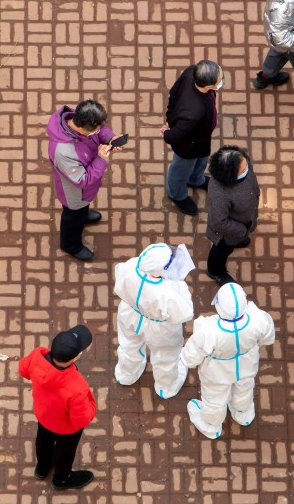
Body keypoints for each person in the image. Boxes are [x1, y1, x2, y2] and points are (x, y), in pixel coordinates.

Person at [180, 283, 276, 439]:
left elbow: (190, 357)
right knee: (244, 389)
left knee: (214, 399)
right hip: (247, 366)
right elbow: (268, 338)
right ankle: (243, 414)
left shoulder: (208, 329)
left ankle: (211, 425)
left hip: (217, 372)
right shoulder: (259, 318)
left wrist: (185, 360)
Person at [18, 325, 97, 490]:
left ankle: (42, 468)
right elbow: (80, 420)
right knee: (65, 450)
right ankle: (61, 479)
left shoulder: (37, 355)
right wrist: (91, 405)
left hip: (43, 414)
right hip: (66, 427)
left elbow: (23, 370)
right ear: (75, 358)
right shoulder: (76, 387)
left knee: (43, 440)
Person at [113, 243, 195, 399]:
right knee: (165, 356)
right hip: (159, 327)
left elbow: (119, 284)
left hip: (129, 314)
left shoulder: (130, 266)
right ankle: (166, 387)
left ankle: (126, 374)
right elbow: (184, 313)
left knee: (129, 345)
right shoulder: (169, 289)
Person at [46, 100, 122, 261]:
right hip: (75, 193)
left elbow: (100, 130)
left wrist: (110, 138)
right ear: (81, 128)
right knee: (73, 216)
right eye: (94, 131)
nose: (98, 132)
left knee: (80, 211)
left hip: (85, 190)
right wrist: (101, 159)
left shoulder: (79, 117)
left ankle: (84, 214)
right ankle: (70, 244)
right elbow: (82, 180)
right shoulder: (63, 152)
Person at [162, 60, 223, 216]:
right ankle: (177, 194)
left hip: (201, 140)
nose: (221, 81)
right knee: (180, 170)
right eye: (219, 80)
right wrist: (167, 131)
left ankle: (196, 180)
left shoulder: (191, 71)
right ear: (208, 86)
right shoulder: (193, 112)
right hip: (188, 146)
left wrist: (169, 117)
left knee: (201, 160)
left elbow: (174, 92)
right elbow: (174, 136)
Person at [205, 145, 260, 286]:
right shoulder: (220, 195)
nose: (247, 166)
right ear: (232, 174)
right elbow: (219, 222)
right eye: (243, 168)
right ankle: (215, 271)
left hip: (242, 223)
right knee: (222, 250)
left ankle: (238, 239)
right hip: (226, 233)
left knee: (234, 241)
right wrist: (241, 231)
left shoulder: (242, 163)